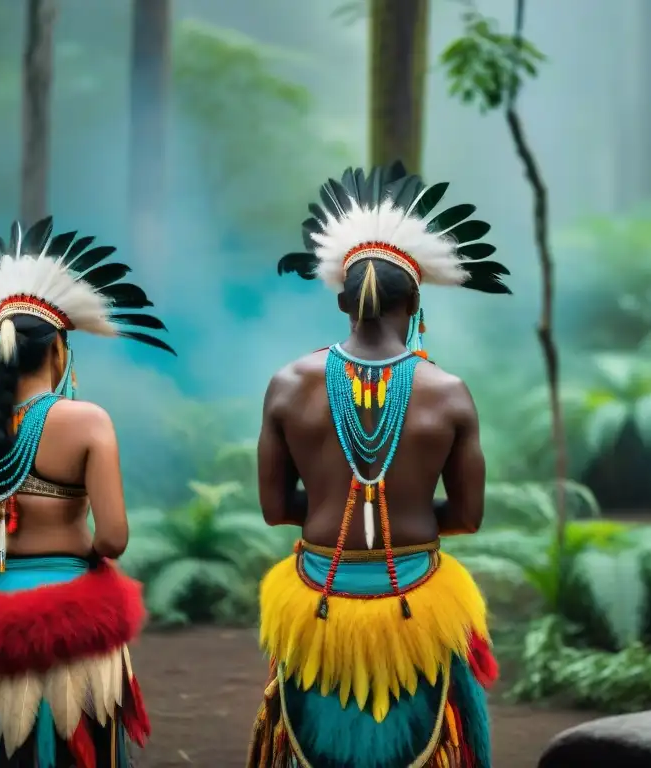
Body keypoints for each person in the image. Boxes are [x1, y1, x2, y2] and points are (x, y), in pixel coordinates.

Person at [247, 163, 510, 768]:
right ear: (414, 300)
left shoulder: (288, 384)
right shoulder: (448, 392)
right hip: (415, 597)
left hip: (318, 597)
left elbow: (272, 509)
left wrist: (328, 510)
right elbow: (468, 516)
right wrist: (405, 514)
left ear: (342, 299)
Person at [0, 218, 174, 767]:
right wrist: (78, 554)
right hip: (68, 624)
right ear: (59, 353)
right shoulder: (87, 422)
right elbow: (112, 538)